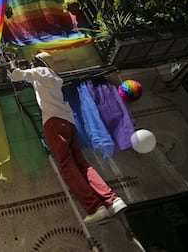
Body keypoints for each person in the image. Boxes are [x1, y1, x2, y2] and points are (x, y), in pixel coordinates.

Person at [8, 58, 127, 224]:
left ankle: (94, 207)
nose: (32, 64)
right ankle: (112, 200)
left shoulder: (42, 72)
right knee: (81, 164)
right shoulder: (52, 78)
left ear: (41, 64)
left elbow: (16, 76)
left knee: (66, 164)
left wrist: (12, 66)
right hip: (67, 121)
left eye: (35, 61)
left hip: (54, 122)